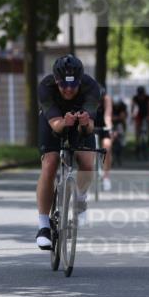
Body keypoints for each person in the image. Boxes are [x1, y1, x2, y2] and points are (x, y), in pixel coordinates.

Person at [34, 55, 102, 250]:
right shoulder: (45, 87)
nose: (69, 89)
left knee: (87, 162)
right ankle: (44, 226)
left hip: (80, 124)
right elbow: (55, 126)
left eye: (73, 85)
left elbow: (89, 128)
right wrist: (65, 122)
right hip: (53, 123)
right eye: (63, 85)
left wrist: (82, 124)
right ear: (56, 81)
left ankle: (80, 202)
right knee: (50, 164)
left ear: (80, 81)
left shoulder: (91, 87)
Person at [96, 87, 115, 191]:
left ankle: (106, 176)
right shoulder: (88, 97)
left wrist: (110, 128)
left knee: (107, 146)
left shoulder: (107, 99)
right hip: (90, 125)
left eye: (100, 100)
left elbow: (107, 116)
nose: (98, 102)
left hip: (103, 126)